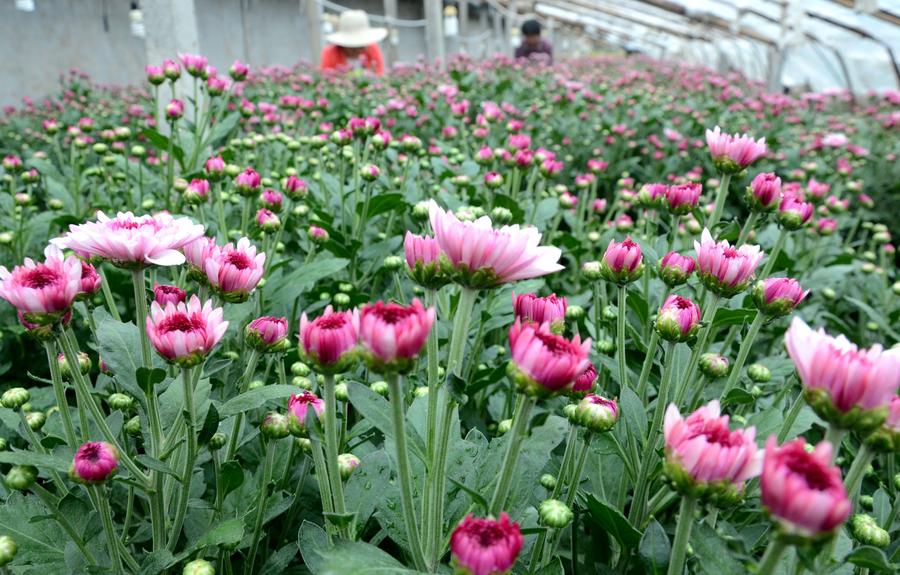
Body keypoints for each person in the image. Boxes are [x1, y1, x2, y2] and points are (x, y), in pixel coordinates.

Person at [320, 10, 387, 76]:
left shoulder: (372, 48)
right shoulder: (330, 53)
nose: (357, 50)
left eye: (360, 46)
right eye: (353, 47)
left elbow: (379, 74)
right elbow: (326, 77)